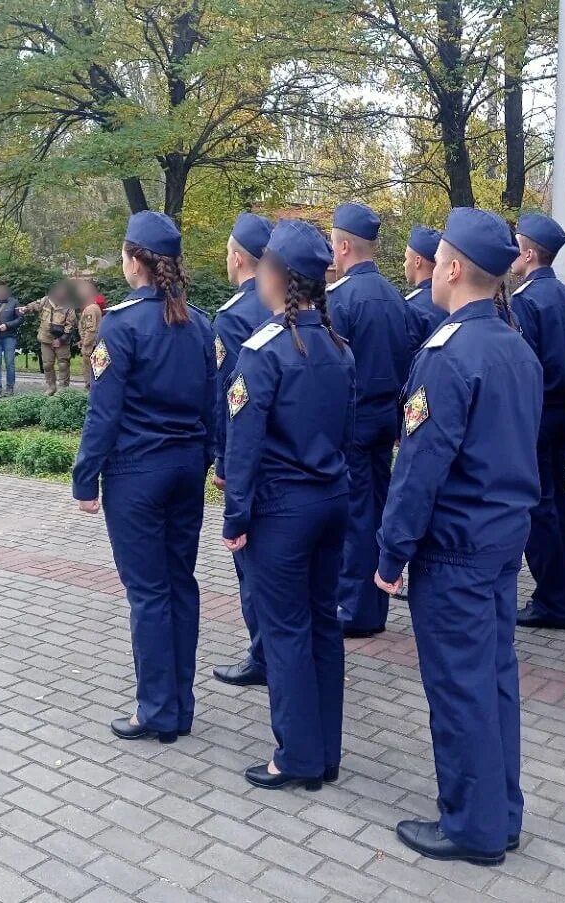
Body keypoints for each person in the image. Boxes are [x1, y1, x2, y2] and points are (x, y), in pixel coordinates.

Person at [375, 207, 542, 866]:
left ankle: (471, 827)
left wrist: (392, 550)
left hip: (456, 546)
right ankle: (500, 814)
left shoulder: (448, 355)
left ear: (450, 268)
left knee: (460, 688)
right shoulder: (512, 344)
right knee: (495, 679)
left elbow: (419, 467)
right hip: (502, 538)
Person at [222, 219, 356, 791]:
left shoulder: (263, 352)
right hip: (331, 502)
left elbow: (243, 446)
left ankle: (296, 756)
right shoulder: (339, 347)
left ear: (275, 276)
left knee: (285, 632)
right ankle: (325, 752)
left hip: (281, 512)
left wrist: (236, 519)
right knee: (322, 623)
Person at [72, 210, 215, 744]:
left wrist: (85, 477)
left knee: (149, 592)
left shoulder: (123, 325)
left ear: (135, 262)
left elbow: (103, 412)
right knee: (180, 584)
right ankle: (180, 704)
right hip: (184, 470)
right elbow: (212, 406)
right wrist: (204, 458)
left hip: (137, 473)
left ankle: (156, 709)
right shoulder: (199, 323)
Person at [327, 202, 416, 638]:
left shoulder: (341, 299)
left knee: (357, 516)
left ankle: (356, 609)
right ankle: (373, 604)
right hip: (386, 418)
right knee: (377, 509)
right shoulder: (394, 296)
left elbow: (334, 370)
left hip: (356, 422)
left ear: (343, 246)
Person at [508, 212, 565, 630]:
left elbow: (524, 367)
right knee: (561, 500)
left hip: (539, 414)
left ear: (529, 253)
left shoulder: (525, 301)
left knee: (539, 507)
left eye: (516, 246)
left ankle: (552, 600)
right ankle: (563, 591)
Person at [210, 212, 274, 689]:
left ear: (238, 258)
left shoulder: (233, 316)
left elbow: (226, 396)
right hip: (294, 460)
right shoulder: (299, 304)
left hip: (250, 456)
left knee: (249, 560)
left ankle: (264, 654)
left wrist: (223, 460)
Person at [20, 282, 78, 396]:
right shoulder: (46, 301)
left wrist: (60, 340)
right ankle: (51, 386)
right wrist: (26, 309)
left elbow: (70, 326)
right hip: (46, 339)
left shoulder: (69, 307)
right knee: (47, 364)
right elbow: (34, 305)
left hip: (62, 341)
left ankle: (63, 388)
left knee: (63, 364)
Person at [402, 225, 446, 346]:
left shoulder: (412, 307)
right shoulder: (451, 299)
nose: (404, 264)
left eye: (406, 258)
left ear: (417, 261)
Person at [75, 278, 103, 390]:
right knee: (98, 373)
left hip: (92, 346)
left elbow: (90, 330)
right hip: (96, 344)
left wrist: (86, 345)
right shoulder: (94, 306)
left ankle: (90, 393)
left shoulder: (90, 309)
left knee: (90, 374)